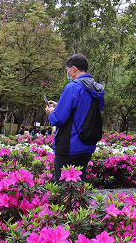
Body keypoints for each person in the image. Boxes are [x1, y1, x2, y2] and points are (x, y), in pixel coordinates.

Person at [45, 53, 105, 182]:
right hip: (87, 146)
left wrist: (51, 112)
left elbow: (58, 119)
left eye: (67, 71)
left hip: (69, 146)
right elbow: (83, 113)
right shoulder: (97, 90)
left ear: (73, 69)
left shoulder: (73, 87)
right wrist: (59, 106)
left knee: (63, 188)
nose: (68, 74)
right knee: (78, 188)